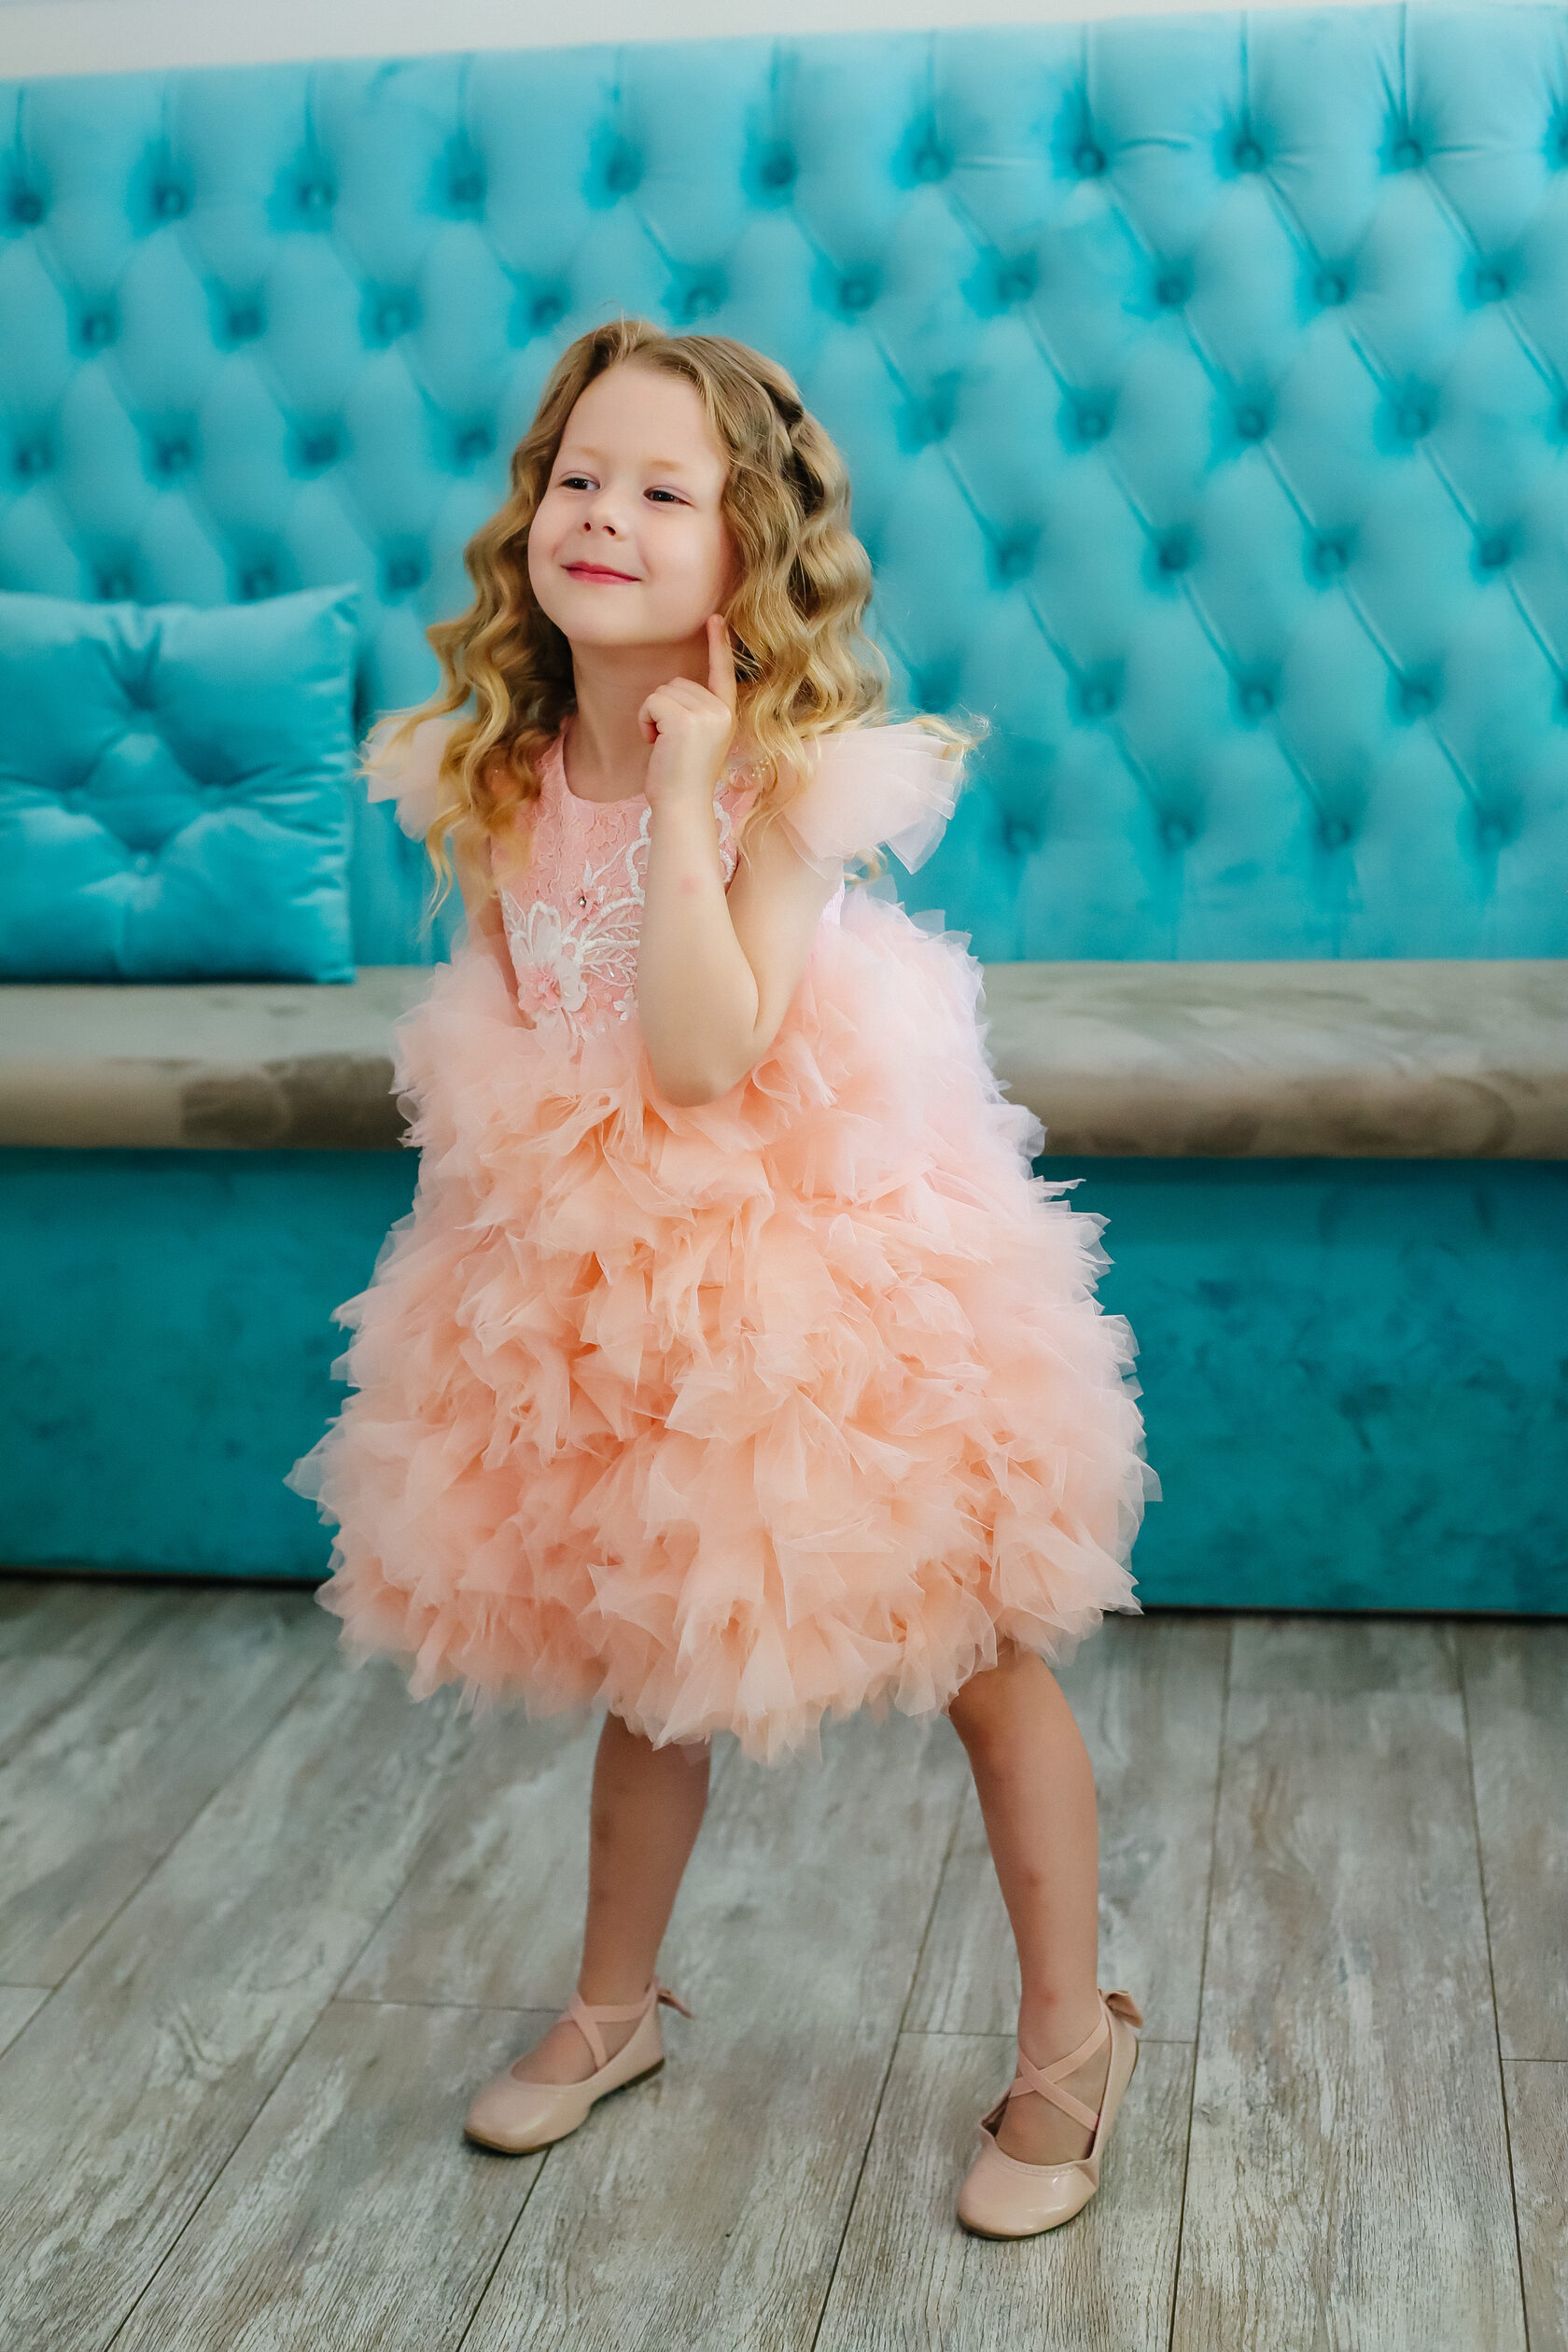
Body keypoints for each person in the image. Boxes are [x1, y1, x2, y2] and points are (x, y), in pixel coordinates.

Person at [286, 316, 1158, 2239]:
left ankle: (1067, 2039)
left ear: (745, 551)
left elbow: (699, 1051)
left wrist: (684, 797)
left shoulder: (785, 778)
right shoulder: (489, 769)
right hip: (607, 1264)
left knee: (975, 1650)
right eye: (578, 477)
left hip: (817, 1247)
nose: (604, 513)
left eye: (663, 491)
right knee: (653, 1635)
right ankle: (616, 2006)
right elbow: (530, 1028)